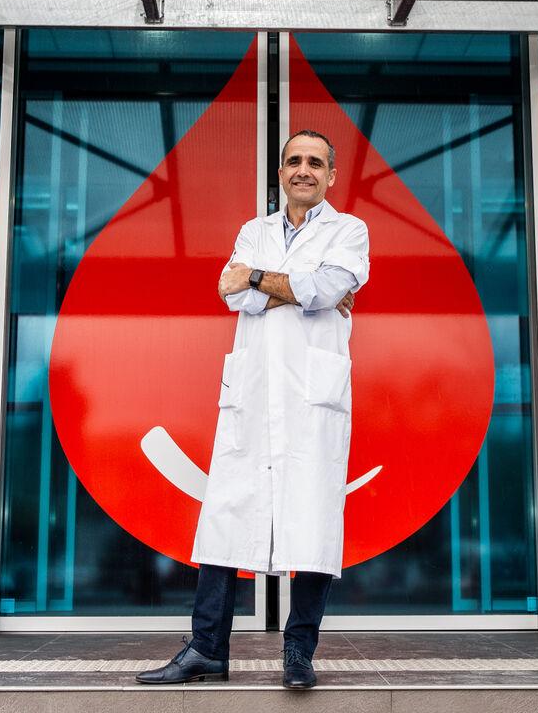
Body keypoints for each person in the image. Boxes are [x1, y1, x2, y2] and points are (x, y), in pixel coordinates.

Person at [136, 129, 370, 690]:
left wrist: (263, 279)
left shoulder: (350, 230)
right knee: (225, 515)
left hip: (311, 399)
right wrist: (299, 287)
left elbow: (326, 288)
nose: (304, 170)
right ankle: (207, 649)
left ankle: (298, 653)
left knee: (313, 521)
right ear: (281, 172)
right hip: (254, 392)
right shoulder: (253, 230)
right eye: (294, 161)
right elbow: (232, 291)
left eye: (315, 162)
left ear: (331, 175)